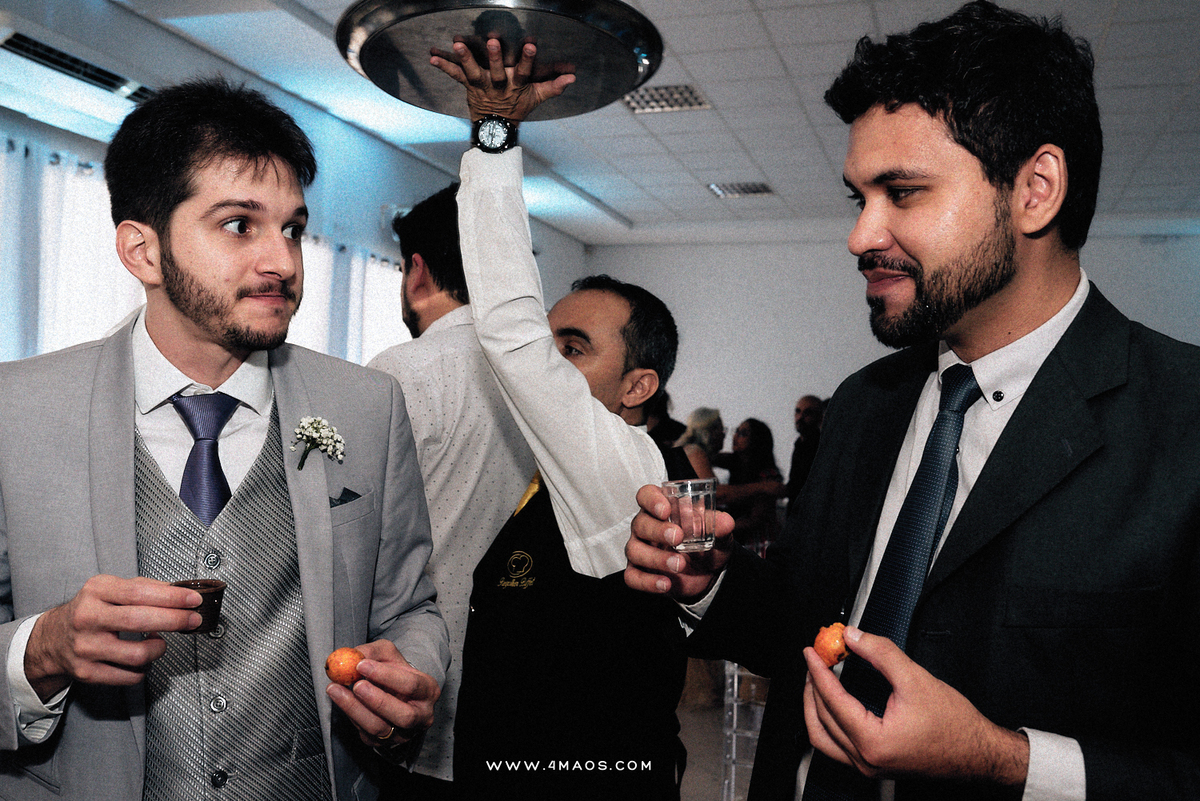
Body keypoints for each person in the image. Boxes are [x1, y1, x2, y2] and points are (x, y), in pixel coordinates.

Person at [624, 2, 1200, 799]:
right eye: (859, 198)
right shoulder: (865, 404)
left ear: (1035, 190)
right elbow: (808, 620)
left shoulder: (1182, 422)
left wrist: (1003, 756)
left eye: (902, 192)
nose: (861, 235)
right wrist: (711, 580)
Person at [0, 77, 449, 801]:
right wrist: (42, 649)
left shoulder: (368, 406)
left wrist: (411, 673)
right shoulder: (14, 409)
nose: (284, 262)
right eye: (240, 224)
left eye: (293, 228)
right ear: (142, 251)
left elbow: (409, 606)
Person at [431, 39, 689, 800]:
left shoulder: (625, 469)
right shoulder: (545, 475)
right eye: (549, 344)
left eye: (571, 349)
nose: (546, 363)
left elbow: (508, 331)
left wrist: (494, 134)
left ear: (639, 385)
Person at [367, 183, 537, 797]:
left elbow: (358, 539)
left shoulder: (400, 372)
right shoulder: (542, 374)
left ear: (417, 271)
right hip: (515, 677)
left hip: (413, 676)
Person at [715, 418, 785, 555]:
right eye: (736, 431)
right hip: (742, 542)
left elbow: (756, 520)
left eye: (743, 433)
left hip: (761, 543)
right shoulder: (736, 465)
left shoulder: (767, 474)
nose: (735, 436)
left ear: (756, 440)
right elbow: (710, 456)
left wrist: (717, 527)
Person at [786, 394, 823, 508]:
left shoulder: (818, 446)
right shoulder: (800, 444)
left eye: (807, 413)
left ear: (819, 417)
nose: (800, 417)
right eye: (798, 411)